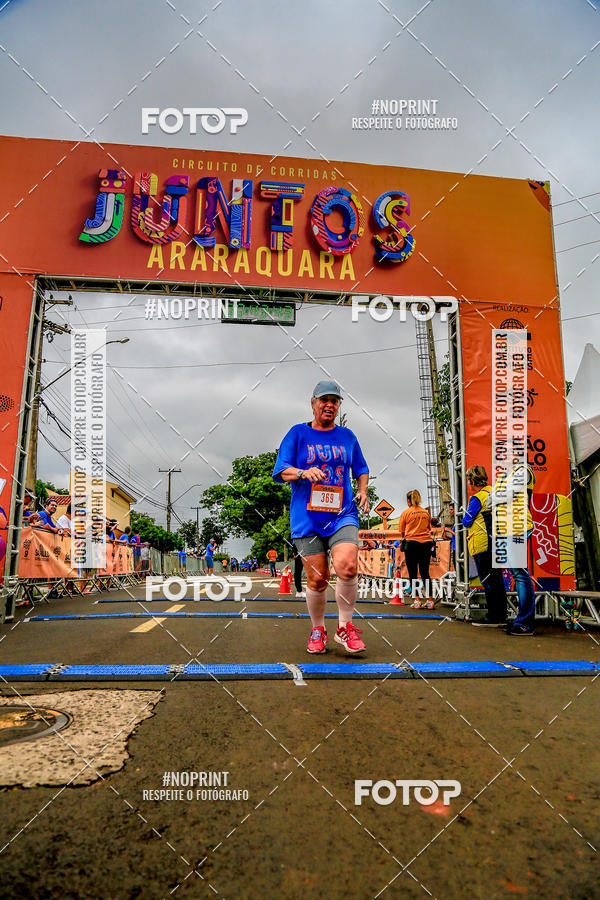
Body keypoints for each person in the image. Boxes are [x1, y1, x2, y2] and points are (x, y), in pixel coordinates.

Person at [272, 379, 370, 654]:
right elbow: (281, 471)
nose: (329, 405)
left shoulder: (347, 437)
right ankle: (318, 629)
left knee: (347, 565)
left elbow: (361, 468)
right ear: (313, 403)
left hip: (342, 514)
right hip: (307, 518)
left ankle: (345, 627)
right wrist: (303, 472)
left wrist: (362, 490)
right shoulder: (297, 434)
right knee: (317, 579)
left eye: (334, 401)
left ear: (338, 406)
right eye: (324, 400)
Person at [486, 464, 537, 636]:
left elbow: (506, 495)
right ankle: (522, 620)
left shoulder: (523, 470)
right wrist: (498, 497)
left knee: (520, 575)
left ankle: (525, 623)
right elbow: (489, 501)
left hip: (518, 528)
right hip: (507, 530)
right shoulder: (504, 476)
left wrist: (497, 497)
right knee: (518, 573)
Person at [462, 465, 507, 626]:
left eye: (469, 480)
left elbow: (466, 521)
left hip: (482, 543)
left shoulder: (477, 498)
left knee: (488, 581)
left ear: (473, 481)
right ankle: (501, 615)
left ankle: (493, 617)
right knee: (497, 580)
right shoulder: (496, 493)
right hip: (498, 541)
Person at [398, 490, 434, 609]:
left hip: (411, 543)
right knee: (425, 572)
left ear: (408, 501)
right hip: (426, 543)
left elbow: (402, 532)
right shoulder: (426, 512)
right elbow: (429, 528)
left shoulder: (406, 513)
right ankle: (430, 600)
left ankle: (417, 600)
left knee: (413, 573)